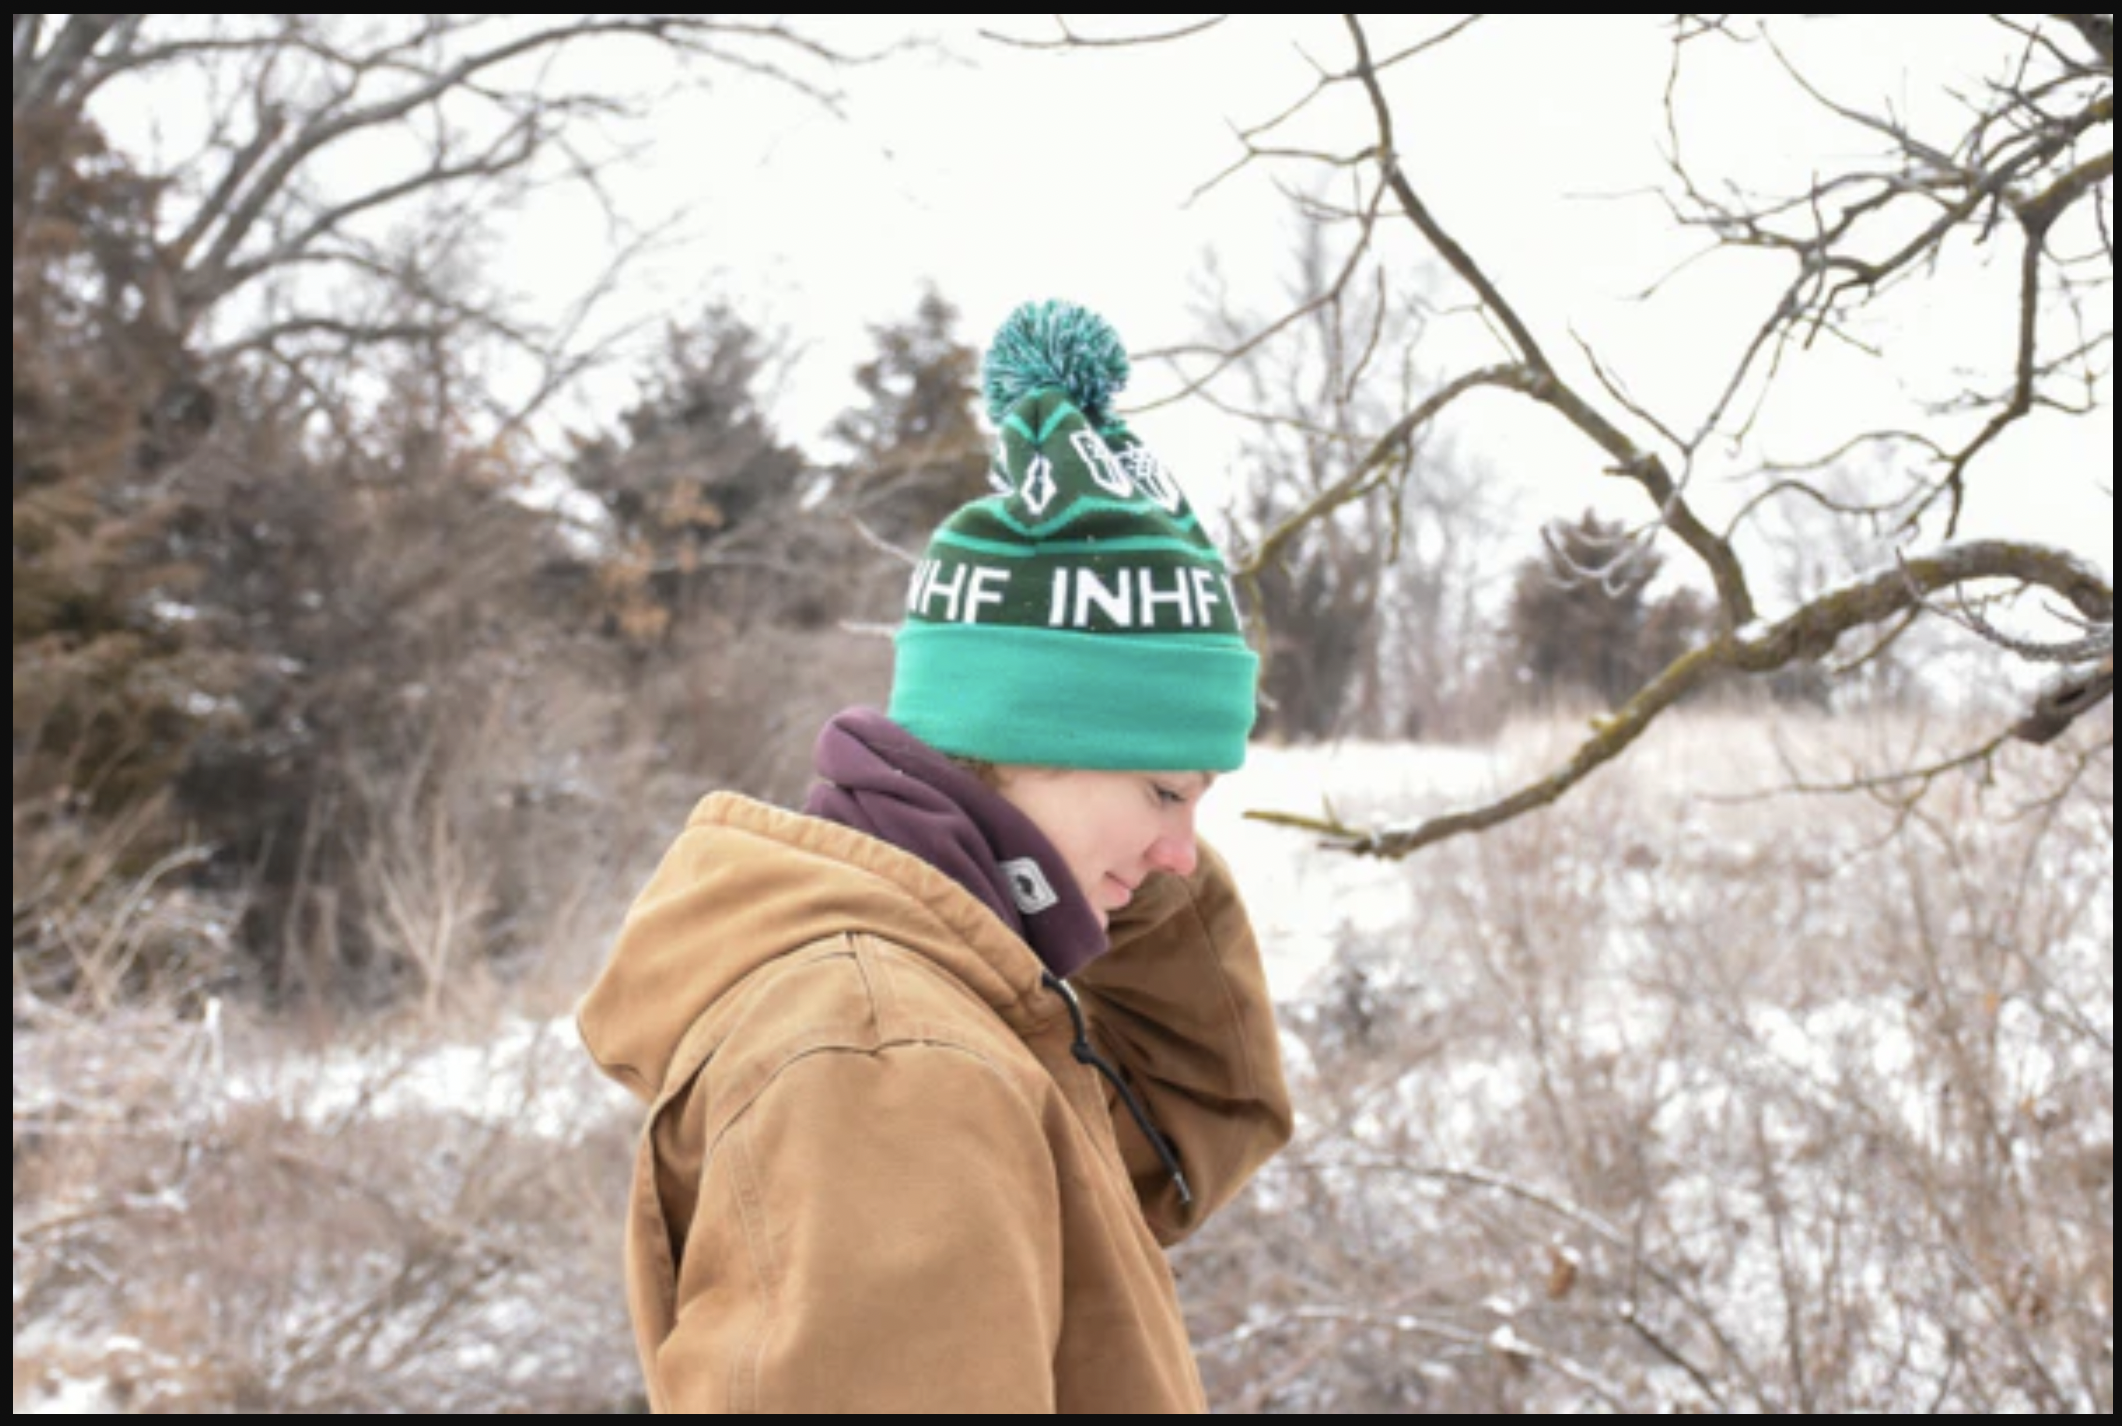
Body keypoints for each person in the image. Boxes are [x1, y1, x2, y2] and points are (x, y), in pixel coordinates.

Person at [577, 299, 1295, 1414]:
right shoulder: (887, 1055)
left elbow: (1172, 1131)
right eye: (1163, 790)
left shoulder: (965, 1011)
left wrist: (1089, 894)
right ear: (1024, 738)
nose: (1180, 855)